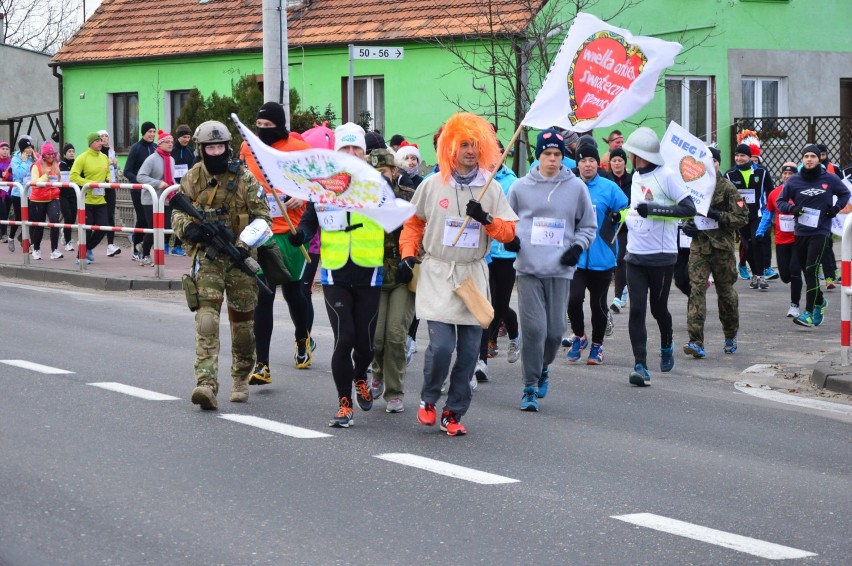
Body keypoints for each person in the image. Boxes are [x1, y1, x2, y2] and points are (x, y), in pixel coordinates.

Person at [399, 112, 518, 436]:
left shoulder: (490, 188)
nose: (469, 150)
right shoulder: (431, 184)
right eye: (464, 144)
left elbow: (509, 232)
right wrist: (409, 256)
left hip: (473, 275)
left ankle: (454, 412)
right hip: (438, 272)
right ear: (451, 147)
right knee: (440, 347)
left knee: (468, 352)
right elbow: (413, 224)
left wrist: (485, 219)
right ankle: (428, 399)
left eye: (475, 144)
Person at [291, 121, 386, 428]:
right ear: (336, 153)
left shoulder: (377, 183)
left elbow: (397, 218)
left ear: (364, 152)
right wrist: (301, 236)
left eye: (355, 147)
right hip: (335, 271)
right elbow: (308, 222)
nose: (351, 152)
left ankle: (361, 376)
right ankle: (344, 403)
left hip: (369, 270)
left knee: (365, 344)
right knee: (344, 338)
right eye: (344, 148)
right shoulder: (322, 184)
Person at [171, 120, 271, 410]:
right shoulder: (192, 179)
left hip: (240, 259)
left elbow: (263, 218)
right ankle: (206, 384)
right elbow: (178, 213)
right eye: (210, 147)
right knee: (206, 321)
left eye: (220, 147)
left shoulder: (246, 179)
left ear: (227, 147)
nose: (216, 152)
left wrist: (242, 244)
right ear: (202, 149)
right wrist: (187, 229)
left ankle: (240, 377)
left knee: (243, 328)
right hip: (208, 258)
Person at [506, 129, 596, 411]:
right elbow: (507, 223)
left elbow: (588, 226)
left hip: (560, 268)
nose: (553, 160)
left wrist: (577, 248)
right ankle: (530, 387)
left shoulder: (576, 187)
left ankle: (543, 367)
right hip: (529, 268)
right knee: (533, 329)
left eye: (557, 154)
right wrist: (510, 240)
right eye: (547, 154)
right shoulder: (520, 187)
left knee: (555, 331)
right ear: (538, 156)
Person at [240, 101, 314, 385]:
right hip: (262, 230)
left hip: (290, 230)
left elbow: (319, 183)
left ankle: (301, 338)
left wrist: (303, 195)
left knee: (294, 292)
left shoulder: (299, 149)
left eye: (269, 127)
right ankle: (263, 364)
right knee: (264, 296)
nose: (263, 131)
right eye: (259, 127)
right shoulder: (249, 148)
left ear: (281, 126)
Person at [621, 127, 696, 386]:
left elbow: (689, 209)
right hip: (636, 254)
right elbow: (635, 209)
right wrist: (623, 216)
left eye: (631, 152)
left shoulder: (668, 176)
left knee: (658, 309)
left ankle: (666, 344)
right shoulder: (635, 176)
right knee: (637, 309)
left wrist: (652, 209)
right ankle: (640, 365)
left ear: (640, 154)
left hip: (662, 256)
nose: (629, 156)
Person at [680, 147, 749, 358]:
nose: (711, 165)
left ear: (718, 163)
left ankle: (730, 335)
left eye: (714, 161)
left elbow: (742, 217)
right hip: (699, 248)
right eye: (706, 162)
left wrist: (718, 215)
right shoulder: (692, 187)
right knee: (696, 292)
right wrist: (687, 225)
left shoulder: (728, 188)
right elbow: (684, 213)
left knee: (725, 293)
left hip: (722, 249)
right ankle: (695, 341)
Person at [565, 143, 628, 365]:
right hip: (577, 257)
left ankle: (597, 346)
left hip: (603, 257)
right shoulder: (570, 187)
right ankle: (579, 336)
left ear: (597, 163)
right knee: (573, 300)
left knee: (598, 306)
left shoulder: (609, 188)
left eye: (591, 160)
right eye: (583, 161)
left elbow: (627, 208)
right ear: (577, 164)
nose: (587, 164)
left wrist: (618, 217)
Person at [777, 145, 850, 327]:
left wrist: (834, 210)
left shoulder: (829, 179)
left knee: (811, 270)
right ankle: (820, 302)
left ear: (819, 159)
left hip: (821, 232)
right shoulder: (794, 181)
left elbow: (845, 193)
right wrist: (792, 208)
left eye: (813, 156)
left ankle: (808, 312)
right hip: (801, 231)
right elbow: (780, 201)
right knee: (806, 271)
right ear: (802, 159)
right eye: (806, 156)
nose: (809, 159)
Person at [367, 149, 416, 413]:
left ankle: (394, 391)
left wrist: (412, 259)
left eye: (383, 173)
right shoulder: (362, 201)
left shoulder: (408, 199)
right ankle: (376, 374)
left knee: (396, 334)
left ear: (394, 172)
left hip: (401, 275)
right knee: (375, 336)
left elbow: (421, 231)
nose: (379, 178)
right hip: (372, 275)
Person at [724, 143, 774, 290]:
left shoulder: (762, 171)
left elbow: (771, 192)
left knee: (757, 241)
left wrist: (771, 213)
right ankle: (754, 274)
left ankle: (761, 276)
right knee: (747, 245)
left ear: (749, 157)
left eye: (742, 155)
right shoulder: (730, 174)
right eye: (737, 155)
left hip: (758, 213)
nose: (739, 158)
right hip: (740, 216)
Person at [757, 162, 803, 318]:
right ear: (782, 175)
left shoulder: (801, 192)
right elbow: (767, 214)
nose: (788, 176)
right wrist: (760, 231)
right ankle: (793, 283)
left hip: (798, 239)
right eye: (785, 173)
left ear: (796, 175)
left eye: (791, 174)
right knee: (785, 276)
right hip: (781, 240)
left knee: (795, 271)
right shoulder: (774, 194)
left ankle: (794, 306)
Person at [136, 130, 177, 266]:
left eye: (172, 142)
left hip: (165, 198)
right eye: (167, 142)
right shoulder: (152, 159)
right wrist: (157, 183)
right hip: (150, 199)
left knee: (166, 228)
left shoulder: (171, 159)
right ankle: (146, 254)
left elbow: (170, 179)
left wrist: (177, 187)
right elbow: (140, 176)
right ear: (160, 144)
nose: (171, 144)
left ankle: (143, 245)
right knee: (154, 227)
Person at [70, 133, 112, 263]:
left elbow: (107, 171)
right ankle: (80, 256)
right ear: (91, 143)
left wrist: (108, 178)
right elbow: (73, 176)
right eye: (98, 141)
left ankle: (87, 248)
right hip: (87, 200)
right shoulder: (82, 158)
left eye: (101, 141)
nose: (101, 143)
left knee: (103, 227)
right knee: (86, 229)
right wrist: (89, 183)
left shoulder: (104, 157)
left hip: (101, 199)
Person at [124, 121, 157, 261]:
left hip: (154, 191)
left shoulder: (156, 148)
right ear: (143, 133)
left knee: (153, 221)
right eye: (149, 131)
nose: (152, 134)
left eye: (154, 132)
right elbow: (127, 171)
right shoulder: (136, 148)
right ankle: (136, 248)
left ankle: (145, 249)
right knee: (143, 219)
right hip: (139, 191)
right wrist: (140, 182)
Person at [28, 141, 64, 260]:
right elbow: (34, 183)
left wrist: (58, 185)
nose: (51, 156)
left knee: (54, 222)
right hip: (38, 199)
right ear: (43, 155)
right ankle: (36, 249)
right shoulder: (36, 166)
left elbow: (58, 180)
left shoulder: (56, 164)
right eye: (48, 154)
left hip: (53, 197)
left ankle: (54, 250)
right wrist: (45, 176)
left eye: (52, 154)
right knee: (40, 225)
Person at [608, 147, 631, 313]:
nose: (617, 164)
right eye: (614, 160)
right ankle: (623, 288)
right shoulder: (607, 180)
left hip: (627, 226)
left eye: (620, 160)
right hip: (610, 225)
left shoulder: (632, 180)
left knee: (621, 258)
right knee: (614, 260)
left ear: (625, 162)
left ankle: (617, 297)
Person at [169, 123, 196, 256]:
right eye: (183, 137)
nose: (186, 140)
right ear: (178, 137)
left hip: (185, 188)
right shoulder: (171, 150)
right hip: (171, 186)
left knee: (184, 215)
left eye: (188, 137)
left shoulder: (190, 151)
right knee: (170, 215)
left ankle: (178, 246)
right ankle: (164, 243)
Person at [8, 137, 37, 252]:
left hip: (31, 193)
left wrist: (36, 160)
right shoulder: (15, 159)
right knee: (20, 218)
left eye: (31, 147)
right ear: (22, 149)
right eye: (28, 147)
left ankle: (26, 242)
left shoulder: (32, 158)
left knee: (30, 218)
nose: (30, 149)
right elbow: (20, 174)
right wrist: (24, 162)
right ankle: (11, 237)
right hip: (18, 193)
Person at [97, 130, 122, 257]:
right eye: (102, 136)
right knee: (98, 217)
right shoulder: (97, 152)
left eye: (107, 135)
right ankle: (87, 243)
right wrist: (109, 162)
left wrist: (116, 164)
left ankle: (110, 244)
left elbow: (114, 167)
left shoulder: (111, 151)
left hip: (110, 185)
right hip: (99, 187)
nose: (105, 138)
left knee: (110, 215)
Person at [58, 143, 77, 252]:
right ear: (65, 153)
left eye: (73, 151)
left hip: (73, 194)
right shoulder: (61, 164)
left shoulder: (76, 163)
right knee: (68, 217)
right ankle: (68, 241)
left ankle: (65, 232)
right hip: (63, 195)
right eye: (69, 151)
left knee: (73, 218)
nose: (71, 153)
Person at [0, 142, 11, 243]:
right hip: (0, 192)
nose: (5, 151)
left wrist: (8, 175)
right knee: (2, 211)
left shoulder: (11, 162)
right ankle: (4, 234)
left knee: (6, 212)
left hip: (9, 191)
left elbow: (13, 175)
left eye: (7, 149)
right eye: (3, 149)